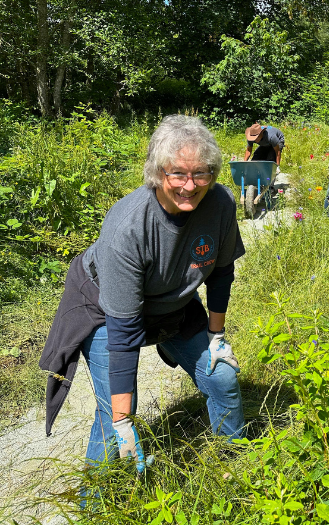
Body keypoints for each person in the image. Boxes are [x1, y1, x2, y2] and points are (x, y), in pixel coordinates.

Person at [39, 115, 246, 474]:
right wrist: (123, 420)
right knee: (117, 414)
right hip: (106, 309)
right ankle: (94, 498)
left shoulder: (221, 204)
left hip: (173, 303)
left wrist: (216, 336)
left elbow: (221, 273)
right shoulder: (128, 226)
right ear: (157, 172)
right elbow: (123, 333)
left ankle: (235, 463)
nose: (190, 185)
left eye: (201, 173)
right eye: (177, 173)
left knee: (223, 378)